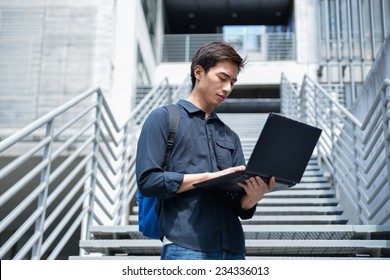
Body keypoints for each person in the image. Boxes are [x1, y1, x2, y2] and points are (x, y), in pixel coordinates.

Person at [136, 41, 275, 260]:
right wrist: (208, 178)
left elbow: (238, 206)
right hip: (185, 246)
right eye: (222, 78)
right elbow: (148, 181)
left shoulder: (230, 136)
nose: (228, 88)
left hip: (233, 249)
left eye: (233, 82)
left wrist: (253, 196)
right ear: (198, 72)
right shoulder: (163, 118)